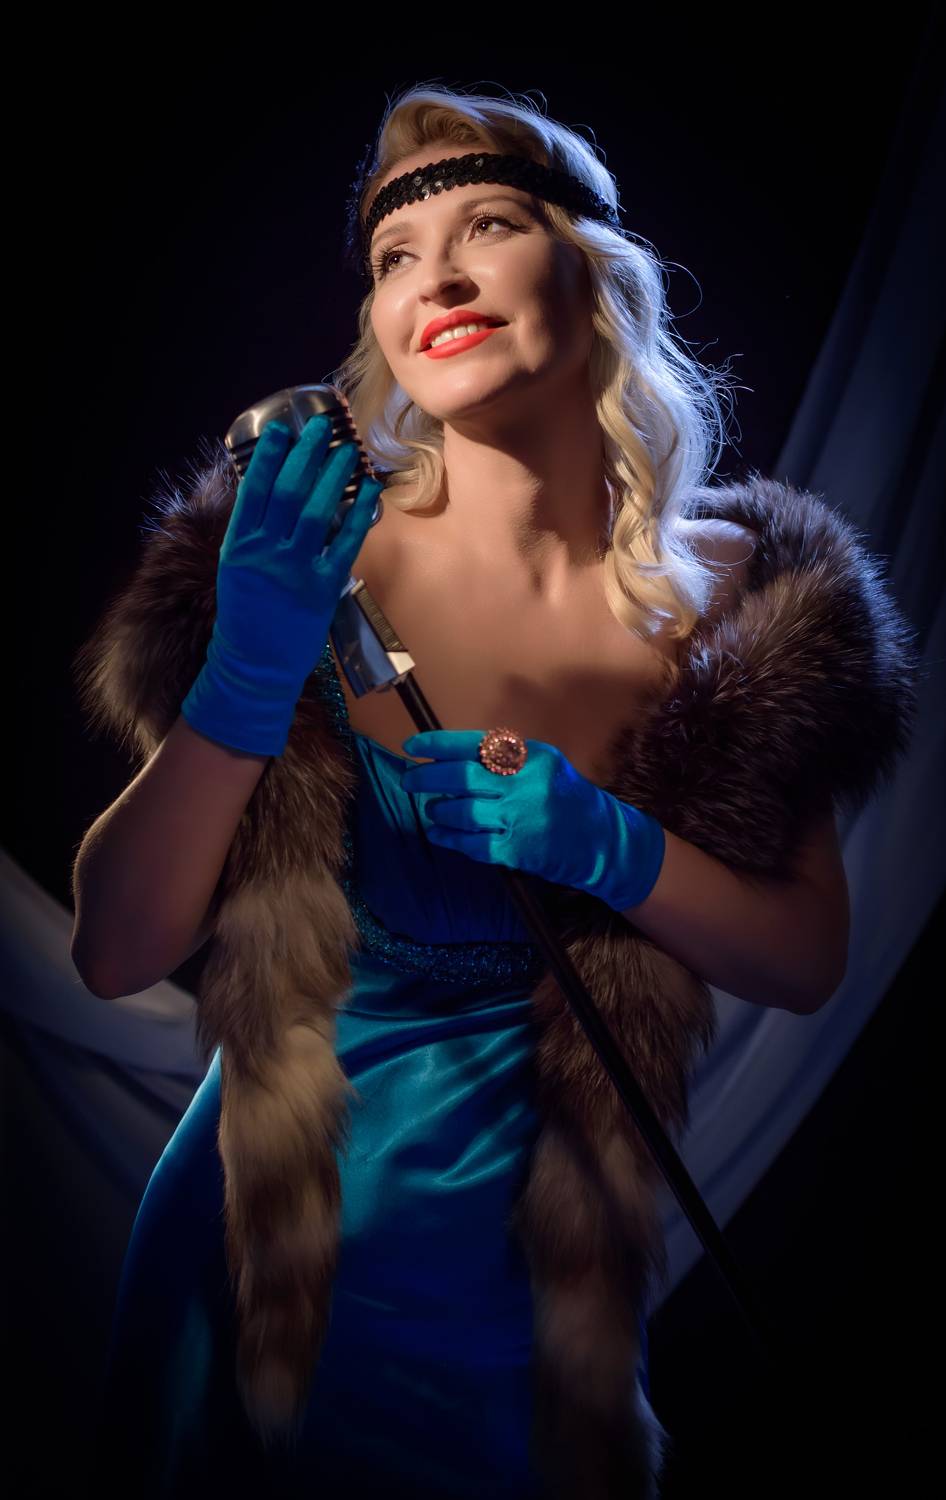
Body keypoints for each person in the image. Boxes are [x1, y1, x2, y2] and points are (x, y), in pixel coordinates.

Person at [71, 84, 917, 1500]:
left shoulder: (740, 599)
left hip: (541, 1310)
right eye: (395, 257)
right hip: (267, 1277)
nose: (439, 278)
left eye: (489, 226)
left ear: (595, 271)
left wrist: (610, 847)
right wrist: (249, 667)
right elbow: (114, 951)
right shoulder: (312, 565)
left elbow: (807, 956)